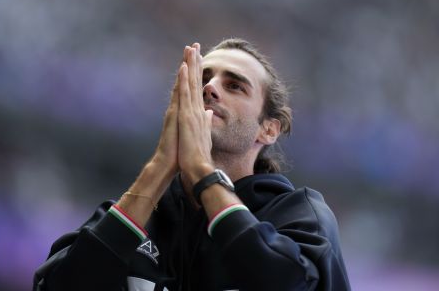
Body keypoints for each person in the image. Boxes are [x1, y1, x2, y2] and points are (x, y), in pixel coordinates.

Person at [33, 39, 350, 290]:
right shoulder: (129, 221)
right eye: (202, 80)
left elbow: (284, 281)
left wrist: (202, 172)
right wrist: (160, 166)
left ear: (268, 129)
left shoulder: (300, 216)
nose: (209, 88)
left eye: (235, 85)